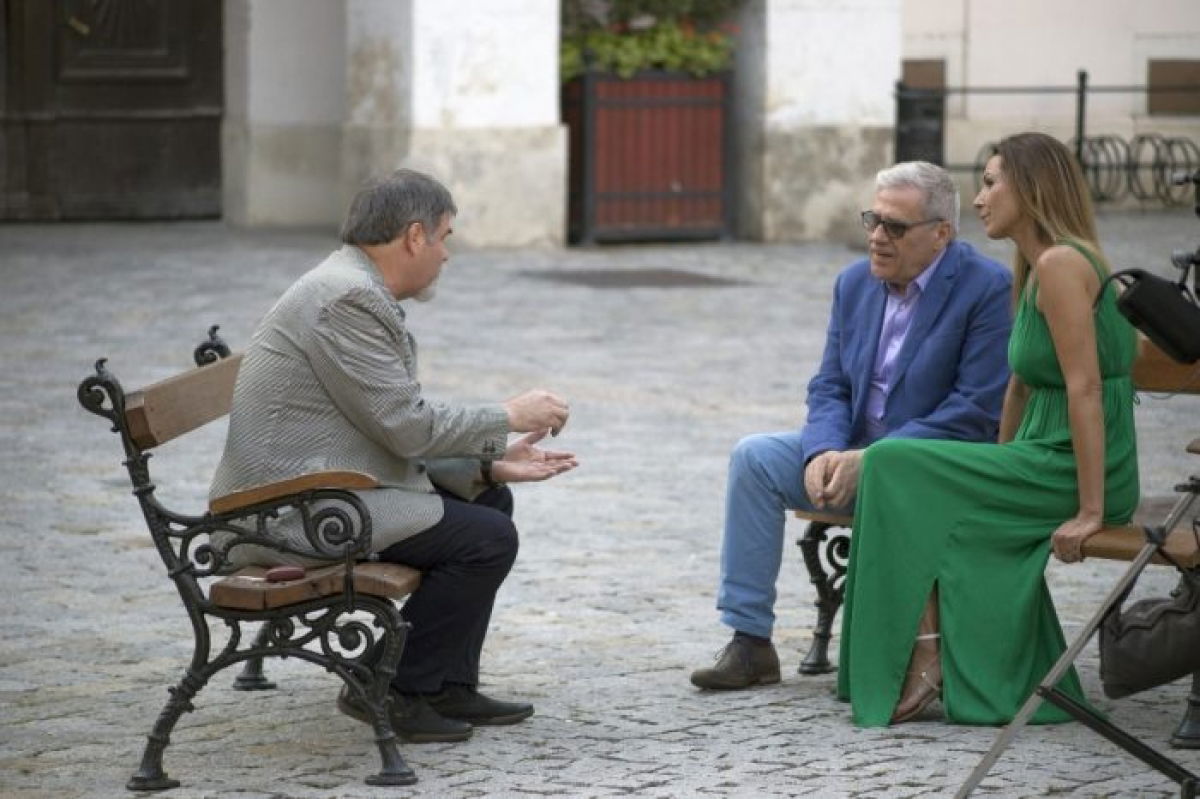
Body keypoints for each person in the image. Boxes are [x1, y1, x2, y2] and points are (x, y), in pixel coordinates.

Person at [210, 168, 578, 743]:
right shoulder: (347, 299)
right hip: (285, 512)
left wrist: (486, 466)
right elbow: (406, 428)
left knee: (490, 500)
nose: (446, 254)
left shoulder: (350, 286)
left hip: (322, 488)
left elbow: (382, 427)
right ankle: (389, 685)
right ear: (413, 236)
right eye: (444, 236)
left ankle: (444, 682)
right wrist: (507, 414)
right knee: (486, 538)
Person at [838, 132, 1139, 726]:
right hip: (1036, 456)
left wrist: (1091, 510)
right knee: (913, 479)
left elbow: (1083, 388)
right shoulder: (1034, 266)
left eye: (992, 182)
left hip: (1075, 467)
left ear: (1031, 188)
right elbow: (1020, 384)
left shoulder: (1062, 264)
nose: (978, 199)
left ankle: (924, 659)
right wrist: (996, 466)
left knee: (894, 462)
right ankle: (940, 659)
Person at [690, 161, 1013, 690]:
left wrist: (878, 458)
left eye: (895, 227)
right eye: (873, 220)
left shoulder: (987, 288)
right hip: (852, 452)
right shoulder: (854, 284)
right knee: (755, 457)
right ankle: (750, 643)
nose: (877, 238)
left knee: (886, 460)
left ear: (941, 234)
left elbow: (975, 409)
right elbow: (830, 385)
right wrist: (823, 451)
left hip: (930, 464)